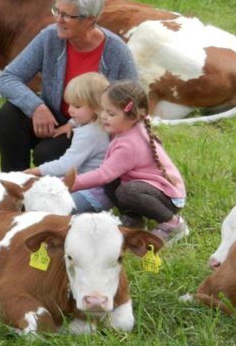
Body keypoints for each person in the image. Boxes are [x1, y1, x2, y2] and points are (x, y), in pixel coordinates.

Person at [0, 0, 138, 172]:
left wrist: (78, 124)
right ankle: (13, 184)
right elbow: (7, 78)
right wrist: (37, 107)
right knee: (10, 114)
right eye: (57, 11)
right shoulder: (49, 37)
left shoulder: (116, 52)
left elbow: (133, 104)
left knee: (46, 154)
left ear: (90, 19)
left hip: (91, 129)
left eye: (67, 16)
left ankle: (48, 188)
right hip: (53, 118)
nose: (58, 20)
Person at [72, 79, 189, 243]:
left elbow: (103, 174)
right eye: (103, 110)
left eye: (111, 114)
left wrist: (70, 182)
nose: (104, 117)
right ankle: (133, 220)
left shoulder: (129, 144)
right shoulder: (129, 128)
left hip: (168, 199)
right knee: (115, 183)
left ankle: (173, 225)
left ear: (133, 116)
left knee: (126, 191)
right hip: (151, 189)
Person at [25, 72, 111, 214]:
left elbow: (67, 165)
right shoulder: (96, 125)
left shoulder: (89, 134)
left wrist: (36, 171)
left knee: (49, 211)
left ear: (96, 107)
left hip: (91, 194)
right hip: (95, 189)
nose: (70, 110)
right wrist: (71, 123)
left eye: (76, 106)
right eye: (69, 104)